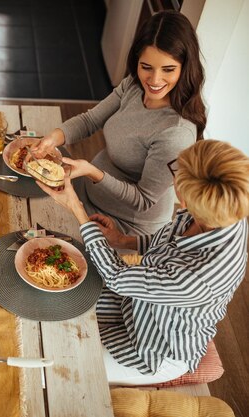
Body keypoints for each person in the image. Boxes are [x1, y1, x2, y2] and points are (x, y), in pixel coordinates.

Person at [37, 139, 249, 385]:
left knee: (56, 369)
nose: (173, 178)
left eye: (177, 177)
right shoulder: (224, 211)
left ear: (189, 203)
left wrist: (77, 208)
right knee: (52, 300)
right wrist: (123, 240)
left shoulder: (200, 278)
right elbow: (167, 243)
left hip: (155, 347)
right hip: (133, 303)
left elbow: (116, 277)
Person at [31, 10, 206, 236]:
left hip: (124, 227)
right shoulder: (134, 86)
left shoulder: (176, 133)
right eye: (146, 67)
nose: (154, 80)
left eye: (168, 69)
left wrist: (93, 172)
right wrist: (54, 137)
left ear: (185, 67)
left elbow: (143, 200)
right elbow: (91, 119)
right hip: (87, 192)